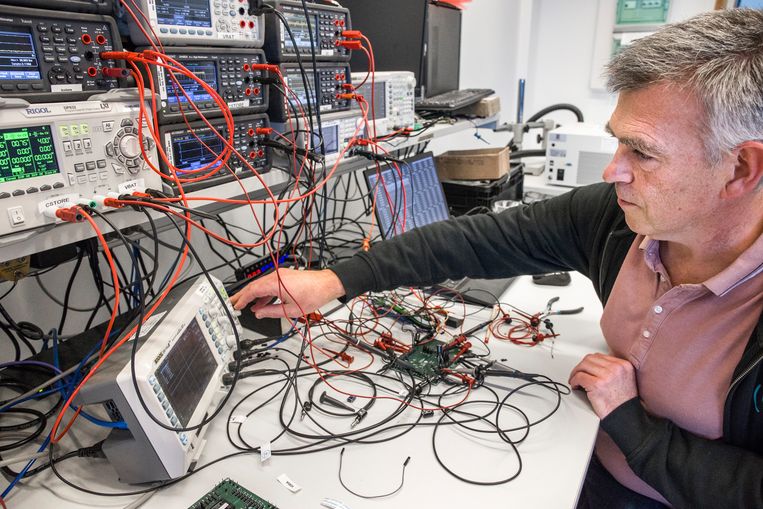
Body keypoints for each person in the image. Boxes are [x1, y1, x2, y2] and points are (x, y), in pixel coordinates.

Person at [230, 8, 763, 508]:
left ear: (740, 170)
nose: (612, 171)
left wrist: (631, 424)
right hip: (582, 458)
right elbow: (477, 240)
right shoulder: (618, 218)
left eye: (642, 152)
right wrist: (333, 280)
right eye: (617, 143)